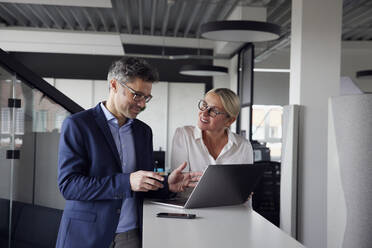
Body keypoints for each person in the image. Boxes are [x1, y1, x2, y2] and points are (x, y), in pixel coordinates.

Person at [56, 57, 201, 248]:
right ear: (114, 85)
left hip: (131, 235)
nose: (142, 104)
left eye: (146, 97)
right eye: (136, 95)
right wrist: (126, 182)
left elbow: (141, 184)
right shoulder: (78, 125)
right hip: (86, 235)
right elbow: (69, 186)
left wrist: (167, 185)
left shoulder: (143, 132)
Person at [171, 88, 254, 172]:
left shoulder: (243, 146)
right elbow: (179, 181)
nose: (203, 113)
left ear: (229, 120)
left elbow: (245, 183)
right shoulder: (184, 135)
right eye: (204, 105)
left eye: (214, 110)